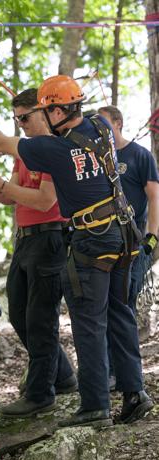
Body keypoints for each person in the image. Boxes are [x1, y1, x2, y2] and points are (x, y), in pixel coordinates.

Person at [0, 74, 154, 427]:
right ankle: (134, 393)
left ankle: (95, 405)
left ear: (59, 112)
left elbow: (1, 139)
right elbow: (9, 144)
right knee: (119, 314)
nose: (43, 119)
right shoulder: (99, 126)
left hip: (92, 240)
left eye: (46, 112)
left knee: (89, 321)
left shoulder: (54, 150)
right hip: (123, 233)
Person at [0, 88, 77, 418]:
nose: (21, 125)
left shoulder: (53, 150)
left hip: (50, 239)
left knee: (40, 319)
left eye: (25, 117)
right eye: (16, 119)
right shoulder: (26, 154)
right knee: (19, 313)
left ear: (45, 113)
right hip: (25, 240)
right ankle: (61, 375)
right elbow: (14, 197)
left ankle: (40, 393)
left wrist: (3, 186)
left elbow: (45, 200)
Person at [97, 105, 159, 311]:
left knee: (126, 300)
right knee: (103, 301)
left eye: (105, 123)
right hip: (104, 235)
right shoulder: (97, 158)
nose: (101, 129)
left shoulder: (140, 155)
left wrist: (152, 235)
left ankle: (126, 343)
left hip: (134, 236)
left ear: (118, 124)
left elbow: (154, 197)